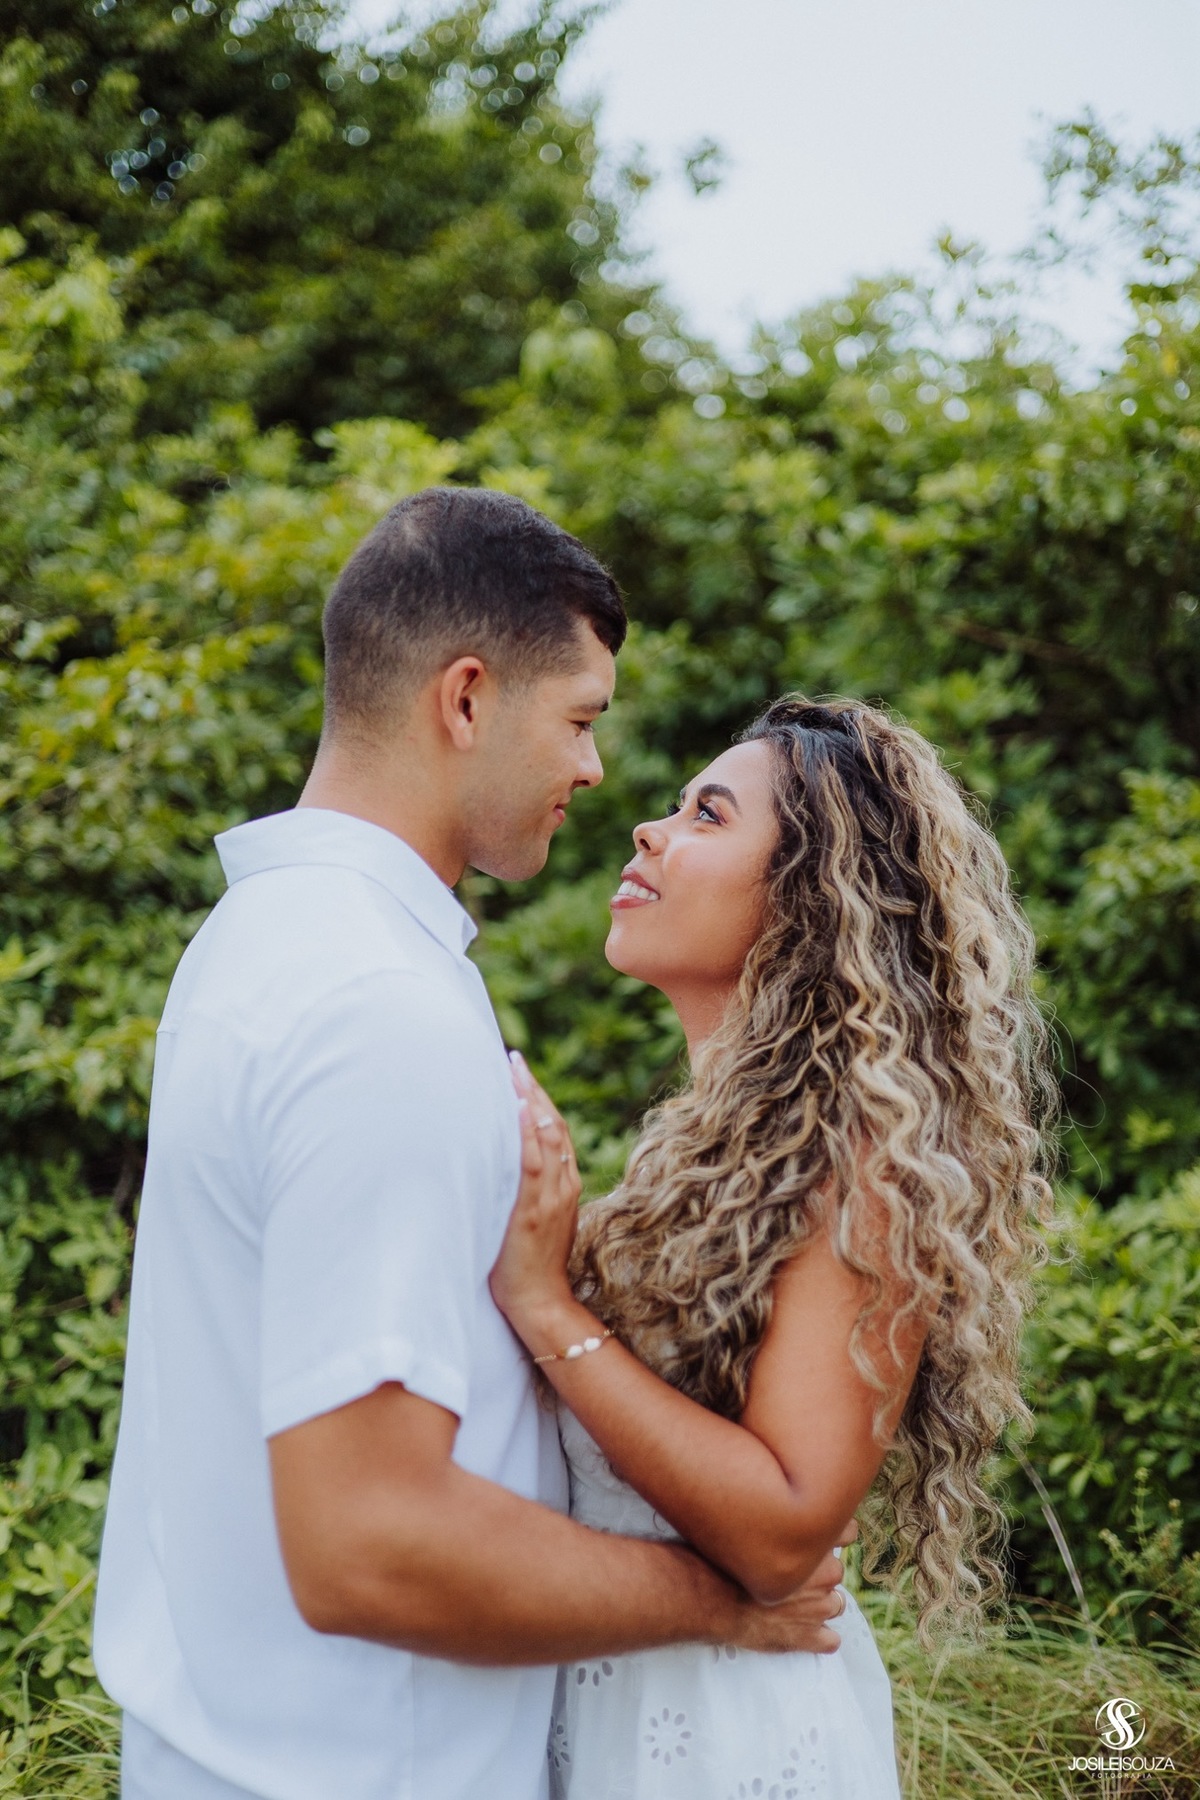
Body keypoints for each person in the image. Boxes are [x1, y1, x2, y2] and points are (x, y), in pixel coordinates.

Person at [92, 490, 850, 1800]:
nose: (596, 771)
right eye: (580, 718)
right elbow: (370, 1544)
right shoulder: (373, 1005)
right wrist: (722, 1604)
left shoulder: (265, 944)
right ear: (464, 699)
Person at [489, 696, 1057, 1799]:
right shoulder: (708, 1150)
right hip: (620, 1704)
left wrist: (548, 1309)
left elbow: (787, 1530)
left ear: (805, 897)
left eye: (707, 814)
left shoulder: (869, 1169)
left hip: (727, 1733)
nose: (651, 831)